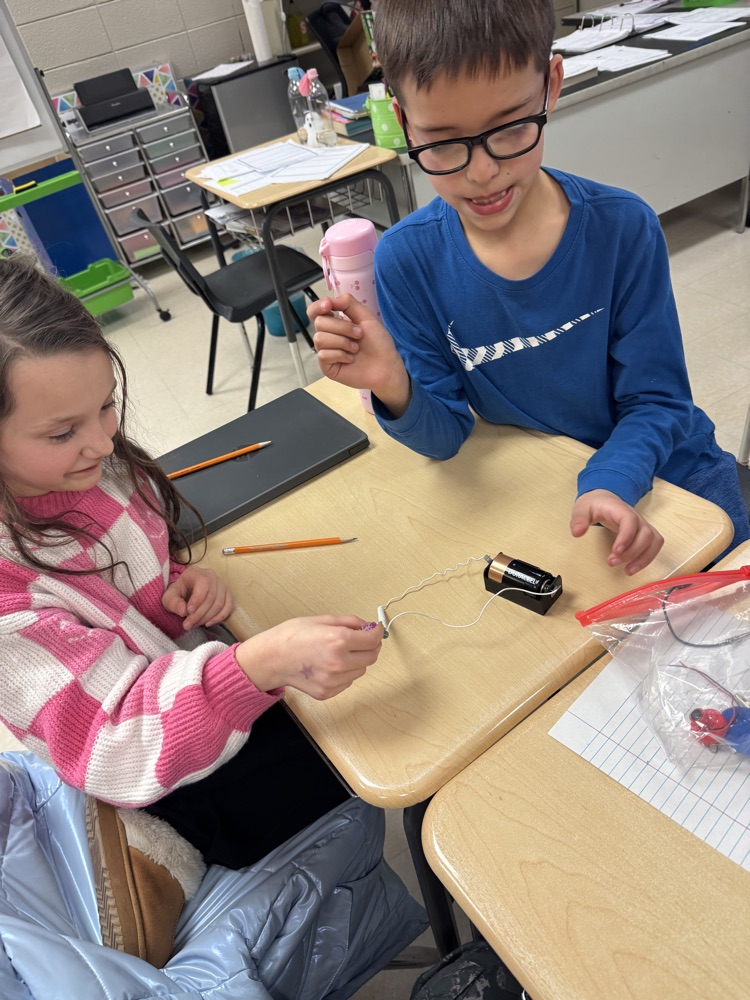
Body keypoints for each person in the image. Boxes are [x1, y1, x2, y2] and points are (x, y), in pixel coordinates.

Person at [309, 0, 750, 577]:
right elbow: (446, 439)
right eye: (442, 142)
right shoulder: (407, 260)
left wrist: (611, 481)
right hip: (547, 486)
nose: (483, 172)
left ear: (551, 86)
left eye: (512, 128)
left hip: (674, 472)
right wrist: (394, 385)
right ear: (402, 119)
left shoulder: (623, 227)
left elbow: (657, 401)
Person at [0, 253, 385, 869]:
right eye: (61, 432)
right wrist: (256, 666)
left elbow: (129, 578)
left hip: (195, 690)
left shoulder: (97, 467)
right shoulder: (7, 610)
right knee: (351, 771)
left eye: (105, 405)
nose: (102, 442)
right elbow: (116, 742)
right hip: (168, 773)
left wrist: (176, 590)